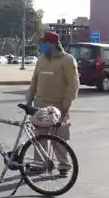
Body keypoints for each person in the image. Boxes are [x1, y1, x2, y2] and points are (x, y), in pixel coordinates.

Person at [25, 31, 79, 173]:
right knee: (40, 136)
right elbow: (34, 81)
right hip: (41, 104)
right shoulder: (41, 60)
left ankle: (63, 165)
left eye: (44, 43)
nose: (42, 46)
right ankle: (41, 163)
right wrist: (29, 99)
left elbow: (73, 84)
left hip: (59, 106)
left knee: (59, 138)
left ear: (53, 44)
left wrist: (67, 103)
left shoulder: (67, 60)